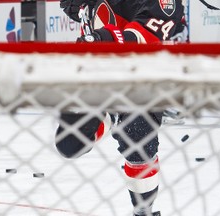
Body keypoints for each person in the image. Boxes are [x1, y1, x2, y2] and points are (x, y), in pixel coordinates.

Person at [56, 1, 185, 215]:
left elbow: (141, 37)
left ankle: (143, 211)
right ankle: (112, 115)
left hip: (141, 81)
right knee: (69, 144)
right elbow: (78, 9)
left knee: (140, 150)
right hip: (102, 77)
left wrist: (101, 38)